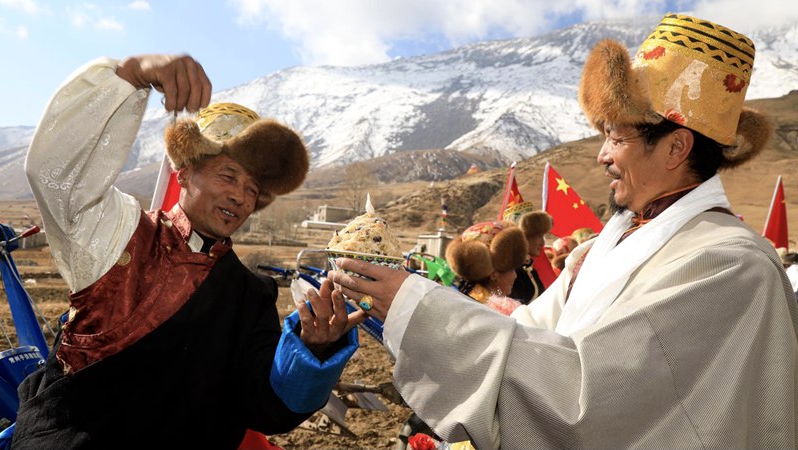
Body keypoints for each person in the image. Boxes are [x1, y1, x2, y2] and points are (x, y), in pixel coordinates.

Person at [327, 14, 798, 449]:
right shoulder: (602, 248)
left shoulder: (732, 267)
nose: (602, 155)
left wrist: (420, 309)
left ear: (676, 147)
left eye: (617, 136)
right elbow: (525, 331)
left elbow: (590, 396)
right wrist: (409, 308)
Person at [10, 54, 364, 449]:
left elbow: (262, 405)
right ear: (185, 173)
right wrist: (132, 74)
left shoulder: (250, 295)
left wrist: (311, 350)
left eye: (252, 189)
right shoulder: (118, 233)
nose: (239, 196)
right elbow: (55, 172)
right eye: (228, 175)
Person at [445, 220, 527, 303]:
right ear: (494, 274)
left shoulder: (462, 299)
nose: (515, 276)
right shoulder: (492, 309)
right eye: (511, 269)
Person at [509, 211, 553, 303]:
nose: (543, 243)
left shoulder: (528, 267)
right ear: (525, 236)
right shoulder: (513, 272)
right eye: (539, 236)